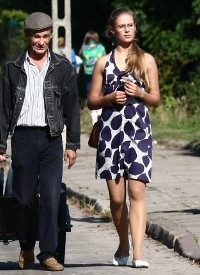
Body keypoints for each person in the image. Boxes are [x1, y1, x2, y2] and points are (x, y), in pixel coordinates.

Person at [0, 12, 80, 271]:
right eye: (35, 36)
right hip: (24, 138)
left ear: (51, 35)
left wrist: (72, 144)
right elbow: (3, 108)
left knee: (52, 197)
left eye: (44, 36)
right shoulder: (12, 67)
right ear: (28, 36)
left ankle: (48, 253)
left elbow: (72, 109)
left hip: (52, 139)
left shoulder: (63, 67)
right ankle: (27, 246)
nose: (40, 41)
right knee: (24, 199)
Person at [87, 7, 160, 268]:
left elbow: (156, 100)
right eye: (122, 26)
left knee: (137, 191)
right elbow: (91, 101)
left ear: (135, 28)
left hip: (138, 133)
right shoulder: (102, 63)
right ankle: (123, 243)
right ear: (112, 31)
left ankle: (139, 253)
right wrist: (109, 98)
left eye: (131, 25)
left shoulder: (146, 60)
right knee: (117, 199)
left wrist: (140, 93)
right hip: (110, 134)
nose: (127, 29)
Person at [79, 30, 107, 124]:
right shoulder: (101, 48)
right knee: (99, 92)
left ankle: (95, 116)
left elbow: (82, 58)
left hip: (89, 73)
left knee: (91, 93)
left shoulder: (83, 49)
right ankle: (98, 114)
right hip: (98, 73)